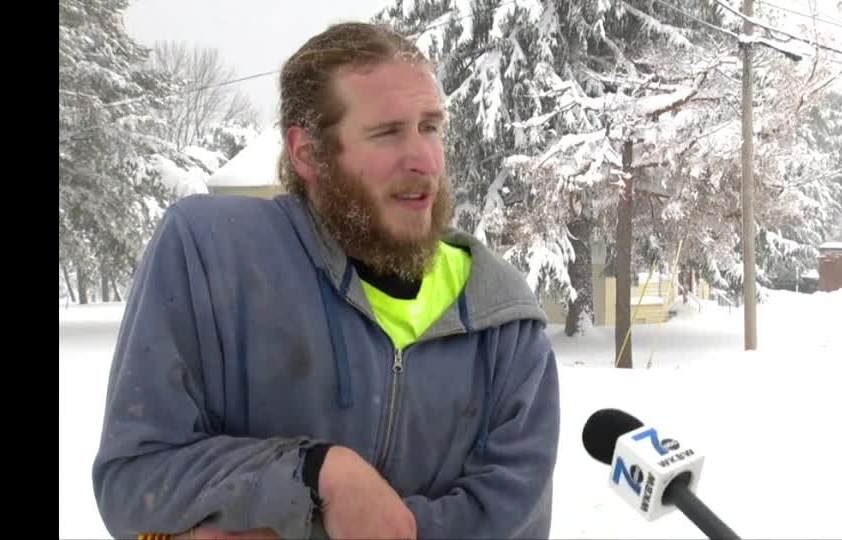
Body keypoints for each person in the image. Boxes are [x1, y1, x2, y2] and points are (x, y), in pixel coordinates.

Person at [90, 21, 561, 540]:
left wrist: (300, 530)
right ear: (308, 153)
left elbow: (508, 523)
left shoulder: (502, 319)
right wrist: (315, 473)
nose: (425, 160)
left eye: (431, 126)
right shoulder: (213, 255)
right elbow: (135, 483)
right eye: (387, 132)